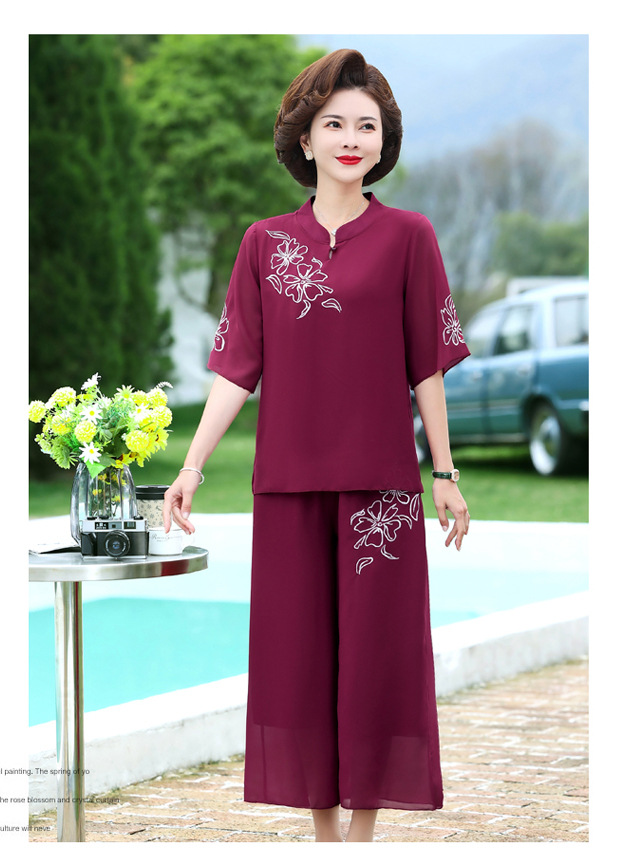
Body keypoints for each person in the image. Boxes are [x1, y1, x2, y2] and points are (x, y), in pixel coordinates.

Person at [162, 48, 471, 843]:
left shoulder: (410, 237)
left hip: (382, 491)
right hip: (289, 486)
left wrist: (443, 471)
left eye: (366, 126)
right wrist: (191, 466)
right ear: (305, 139)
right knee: (299, 666)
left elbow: (426, 365)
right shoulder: (263, 243)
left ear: (383, 141)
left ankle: (360, 837)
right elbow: (237, 366)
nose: (350, 139)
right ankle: (324, 836)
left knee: (377, 664)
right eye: (334, 124)